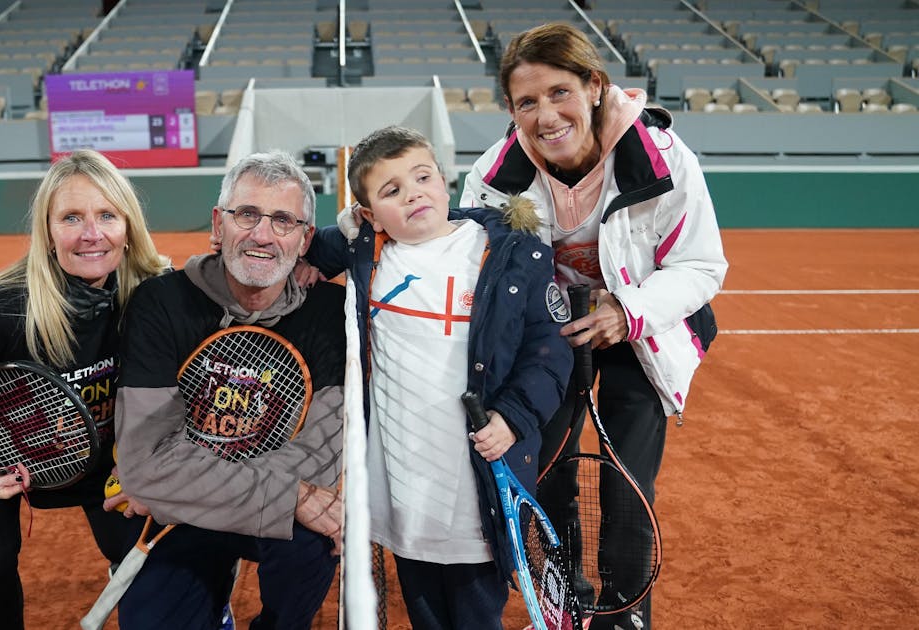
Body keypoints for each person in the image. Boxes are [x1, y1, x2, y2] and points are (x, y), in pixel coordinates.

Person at [459, 22, 729, 630]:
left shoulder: (662, 159)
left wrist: (626, 313)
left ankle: (623, 614)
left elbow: (701, 265)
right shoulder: (494, 175)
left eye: (560, 93)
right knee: (547, 464)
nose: (546, 115)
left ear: (595, 87)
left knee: (628, 482)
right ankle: (562, 598)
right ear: (510, 109)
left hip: (641, 325)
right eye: (527, 102)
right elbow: (465, 256)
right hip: (549, 332)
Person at [306, 125, 573, 629]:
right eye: (391, 191)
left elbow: (548, 352)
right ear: (367, 214)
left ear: (445, 180)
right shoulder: (366, 251)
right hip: (403, 486)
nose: (413, 195)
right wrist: (308, 260)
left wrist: (514, 417)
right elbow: (301, 249)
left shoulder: (512, 254)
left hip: (477, 483)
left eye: (422, 177)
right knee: (425, 607)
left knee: (476, 612)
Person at [0, 149, 170, 629]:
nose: (91, 234)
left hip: (104, 457)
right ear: (47, 232)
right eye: (71, 218)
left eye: (107, 214)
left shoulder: (151, 297)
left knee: (148, 559)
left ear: (128, 227)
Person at [112, 151, 346, 630]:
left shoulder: (331, 314)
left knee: (312, 545)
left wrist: (183, 486)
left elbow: (320, 457)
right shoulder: (161, 302)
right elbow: (147, 462)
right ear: (218, 226)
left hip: (203, 496)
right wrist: (291, 496)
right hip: (184, 517)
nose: (262, 235)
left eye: (283, 221)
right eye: (247, 215)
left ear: (305, 240)